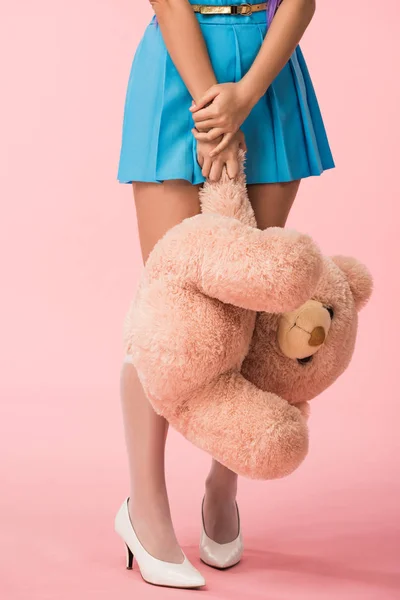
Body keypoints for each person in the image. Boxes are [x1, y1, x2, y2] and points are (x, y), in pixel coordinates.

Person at [114, 0, 334, 589]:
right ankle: (145, 507)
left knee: (257, 306)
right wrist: (215, 109)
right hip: (179, 71)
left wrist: (246, 96)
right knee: (168, 311)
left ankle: (224, 481)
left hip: (267, 71)